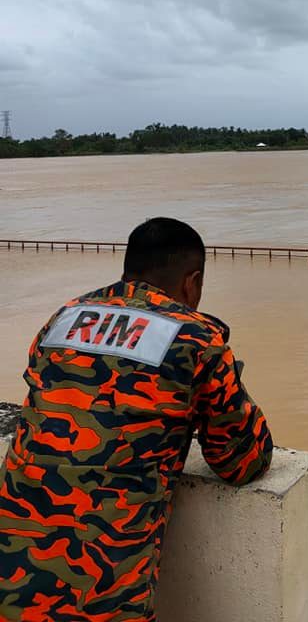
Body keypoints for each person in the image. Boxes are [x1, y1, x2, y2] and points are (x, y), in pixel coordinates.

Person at [0, 217, 273, 622]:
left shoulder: (63, 317)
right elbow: (241, 462)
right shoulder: (197, 339)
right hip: (104, 592)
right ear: (192, 282)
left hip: (11, 570)